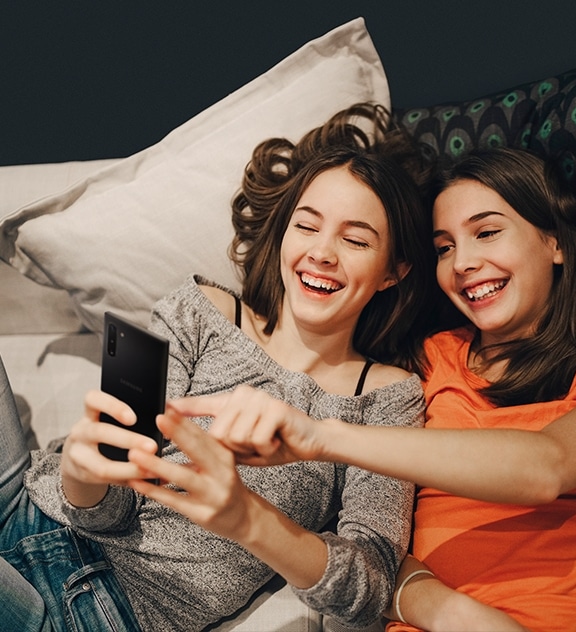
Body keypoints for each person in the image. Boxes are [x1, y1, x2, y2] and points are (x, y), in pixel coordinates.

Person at [137, 147, 576, 632]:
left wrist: (321, 436)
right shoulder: (430, 361)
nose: (463, 263)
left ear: (554, 241)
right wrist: (441, 607)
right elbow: (375, 543)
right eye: (445, 247)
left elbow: (547, 467)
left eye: (487, 232)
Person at [0, 103, 438, 631]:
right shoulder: (198, 308)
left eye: (355, 239)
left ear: (393, 272)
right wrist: (81, 470)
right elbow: (107, 506)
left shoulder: (388, 397)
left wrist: (249, 518)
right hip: (24, 502)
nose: (322, 252)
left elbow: (369, 586)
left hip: (100, 607)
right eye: (307, 226)